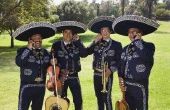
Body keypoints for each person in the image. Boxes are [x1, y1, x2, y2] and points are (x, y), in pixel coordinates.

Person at [112, 15, 160, 110]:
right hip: (127, 86)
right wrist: (120, 78)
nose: (131, 34)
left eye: (134, 31)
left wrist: (138, 42)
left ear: (140, 33)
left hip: (140, 87)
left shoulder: (148, 46)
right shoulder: (125, 49)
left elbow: (147, 58)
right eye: (129, 32)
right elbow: (121, 65)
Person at [13, 22, 56, 110]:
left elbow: (50, 67)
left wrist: (52, 62)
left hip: (40, 87)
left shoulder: (47, 53)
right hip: (26, 87)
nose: (37, 39)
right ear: (30, 40)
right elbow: (19, 62)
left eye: (39, 37)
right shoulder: (22, 50)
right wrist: (28, 48)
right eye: (34, 37)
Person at [87, 16, 122, 110]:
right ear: (100, 32)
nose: (105, 32)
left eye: (107, 30)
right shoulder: (96, 43)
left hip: (107, 75)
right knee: (98, 97)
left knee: (107, 97)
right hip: (96, 74)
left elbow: (120, 61)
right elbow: (86, 52)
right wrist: (94, 41)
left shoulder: (116, 44)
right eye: (103, 30)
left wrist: (111, 70)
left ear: (110, 31)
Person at [51, 21, 87, 110]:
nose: (68, 34)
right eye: (66, 32)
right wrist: (52, 61)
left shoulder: (77, 43)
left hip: (74, 76)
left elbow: (84, 54)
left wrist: (78, 41)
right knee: (59, 101)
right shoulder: (56, 45)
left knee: (78, 100)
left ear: (73, 34)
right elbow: (51, 59)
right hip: (60, 77)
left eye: (70, 32)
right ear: (62, 33)